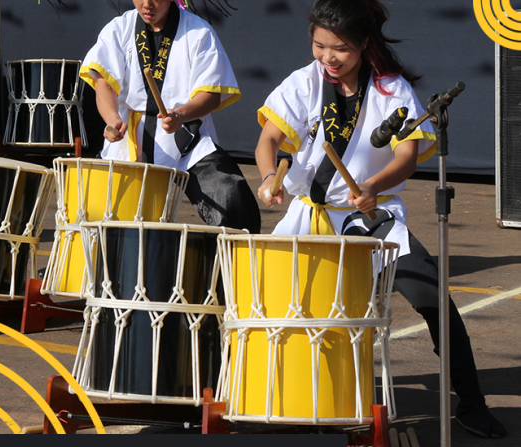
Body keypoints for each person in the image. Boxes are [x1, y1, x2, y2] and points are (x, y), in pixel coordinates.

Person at [254, 0, 506, 439]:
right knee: (261, 297)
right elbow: (269, 139)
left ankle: (471, 402)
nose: (328, 58)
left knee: (431, 297)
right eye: (319, 46)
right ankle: (267, 395)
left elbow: (407, 155)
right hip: (310, 217)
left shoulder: (392, 90)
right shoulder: (304, 83)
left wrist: (372, 187)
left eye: (340, 49)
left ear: (364, 44)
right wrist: (269, 176)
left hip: (371, 216)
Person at [80, 0, 261, 234]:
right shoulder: (118, 29)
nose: (147, 4)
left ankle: (235, 266)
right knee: (102, 216)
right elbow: (104, 84)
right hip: (131, 139)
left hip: (185, 135)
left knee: (233, 199)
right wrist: (112, 118)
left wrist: (180, 114)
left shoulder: (198, 32)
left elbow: (211, 94)